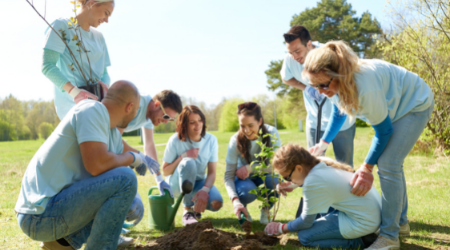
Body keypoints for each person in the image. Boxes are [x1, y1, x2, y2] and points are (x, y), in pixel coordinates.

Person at [304, 41, 434, 250]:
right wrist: (323, 143)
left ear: (339, 75)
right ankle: (400, 224)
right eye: (314, 86)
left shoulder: (365, 85)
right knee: (390, 164)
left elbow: (383, 131)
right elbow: (340, 111)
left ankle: (390, 236)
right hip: (396, 106)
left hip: (414, 104)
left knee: (388, 164)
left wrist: (366, 168)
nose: (320, 91)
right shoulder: (335, 85)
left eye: (323, 85)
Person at [14, 81, 168, 250]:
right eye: (137, 109)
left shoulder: (110, 132)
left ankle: (61, 243)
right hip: (38, 216)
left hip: (52, 212)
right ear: (129, 107)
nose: (137, 114)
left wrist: (134, 191)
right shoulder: (91, 110)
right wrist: (132, 158)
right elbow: (97, 165)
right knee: (126, 178)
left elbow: (113, 171)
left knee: (124, 180)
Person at [265, 144, 381, 249]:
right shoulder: (320, 162)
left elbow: (306, 222)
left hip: (363, 222)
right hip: (371, 214)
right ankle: (361, 235)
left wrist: (281, 227)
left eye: (287, 177)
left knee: (305, 236)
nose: (289, 180)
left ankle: (360, 241)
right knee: (317, 218)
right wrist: (292, 184)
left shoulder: (312, 182)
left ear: (299, 168)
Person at [280, 25, 355, 166]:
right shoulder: (290, 59)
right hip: (315, 121)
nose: (294, 57)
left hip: (342, 123)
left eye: (297, 51)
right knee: (313, 165)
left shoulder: (328, 55)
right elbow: (285, 78)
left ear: (309, 44)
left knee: (345, 167)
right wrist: (306, 88)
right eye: (290, 53)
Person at [42, 0, 114, 120]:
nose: (107, 20)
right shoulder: (62, 26)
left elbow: (105, 74)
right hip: (73, 111)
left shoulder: (99, 38)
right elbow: (47, 66)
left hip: (97, 108)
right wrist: (76, 93)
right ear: (92, 3)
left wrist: (105, 86)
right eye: (106, 13)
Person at [161, 105, 223, 225]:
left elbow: (212, 173)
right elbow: (165, 171)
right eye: (192, 122)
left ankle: (195, 209)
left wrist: (205, 190)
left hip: (198, 181)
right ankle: (187, 210)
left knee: (216, 203)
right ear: (184, 124)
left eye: (200, 120)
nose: (198, 125)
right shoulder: (175, 140)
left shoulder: (211, 140)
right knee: (189, 162)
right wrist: (183, 156)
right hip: (176, 185)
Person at [224, 102, 281, 225]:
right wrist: (235, 201)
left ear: (260, 121)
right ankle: (243, 210)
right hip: (243, 180)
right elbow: (228, 176)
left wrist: (250, 168)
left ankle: (266, 210)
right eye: (242, 126)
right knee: (247, 192)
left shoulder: (271, 133)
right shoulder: (235, 140)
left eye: (250, 125)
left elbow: (276, 165)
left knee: (275, 182)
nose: (246, 130)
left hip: (264, 176)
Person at [119, 90, 183, 161]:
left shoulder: (151, 116)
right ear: (157, 104)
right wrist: (140, 155)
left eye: (170, 119)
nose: (166, 122)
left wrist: (157, 171)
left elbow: (149, 145)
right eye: (166, 116)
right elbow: (115, 138)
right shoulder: (137, 104)